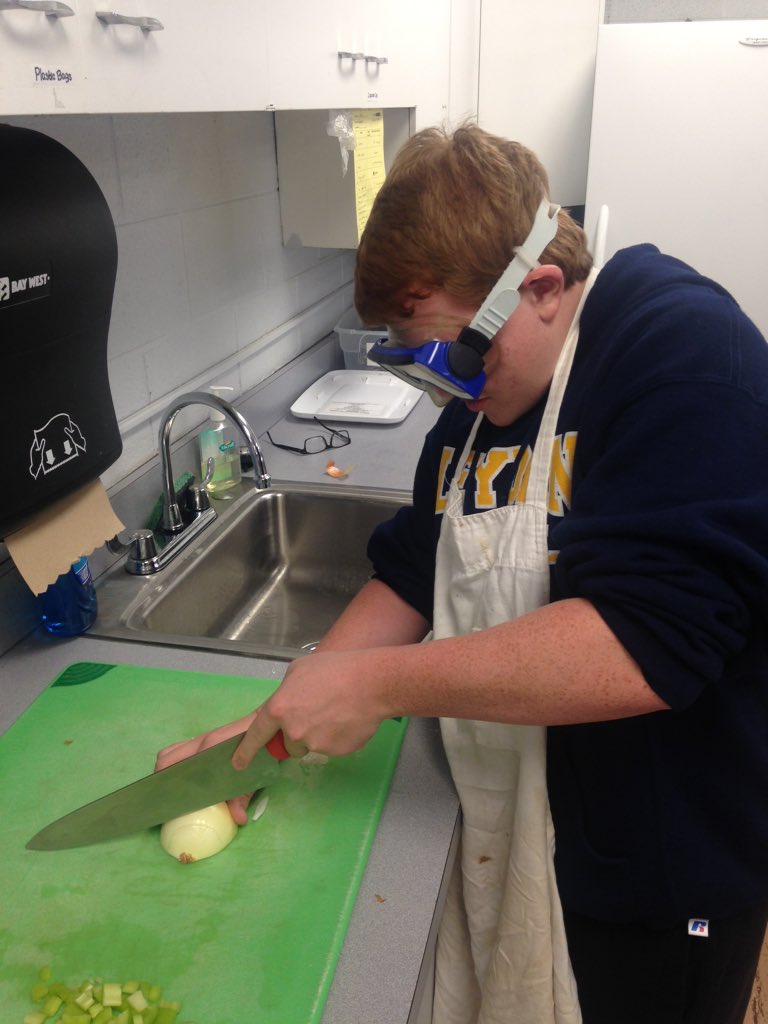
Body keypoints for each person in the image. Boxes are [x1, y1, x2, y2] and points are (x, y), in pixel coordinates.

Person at [157, 124, 768, 1024]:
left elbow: (645, 646)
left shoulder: (680, 354)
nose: (445, 388)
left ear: (543, 288)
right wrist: (274, 728)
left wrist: (376, 684)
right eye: (416, 361)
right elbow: (415, 568)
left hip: (661, 863)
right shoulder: (488, 409)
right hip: (525, 820)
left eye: (451, 354)